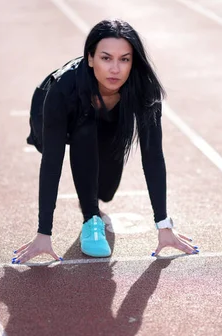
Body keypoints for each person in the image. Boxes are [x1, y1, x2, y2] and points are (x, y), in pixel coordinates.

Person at [12, 19, 199, 263]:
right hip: (59, 111)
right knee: (84, 131)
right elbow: (52, 163)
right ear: (90, 58)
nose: (115, 69)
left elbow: (153, 156)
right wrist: (43, 232)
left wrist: (163, 225)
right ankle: (91, 219)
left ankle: (94, 204)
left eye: (124, 59)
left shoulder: (144, 89)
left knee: (107, 190)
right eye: (106, 58)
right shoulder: (63, 89)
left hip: (109, 117)